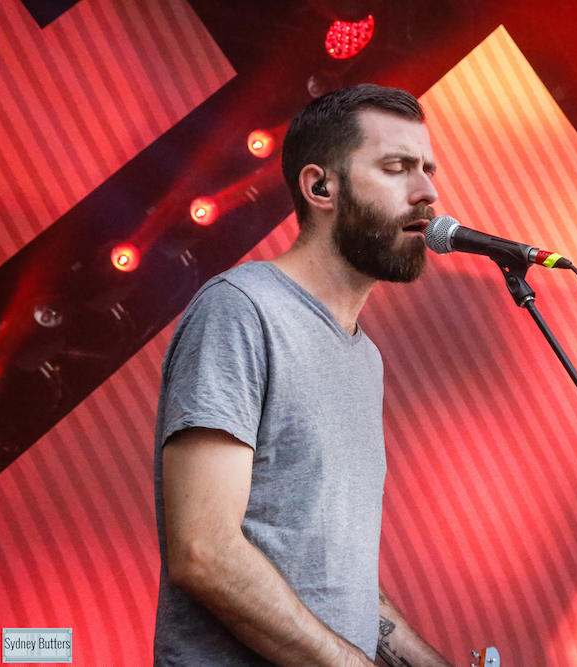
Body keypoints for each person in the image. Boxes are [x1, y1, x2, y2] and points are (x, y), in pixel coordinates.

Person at [153, 84, 454, 667]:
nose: (428, 193)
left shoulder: (364, 357)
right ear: (321, 187)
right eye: (397, 168)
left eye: (429, 170)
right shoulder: (242, 309)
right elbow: (203, 551)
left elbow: (330, 578)